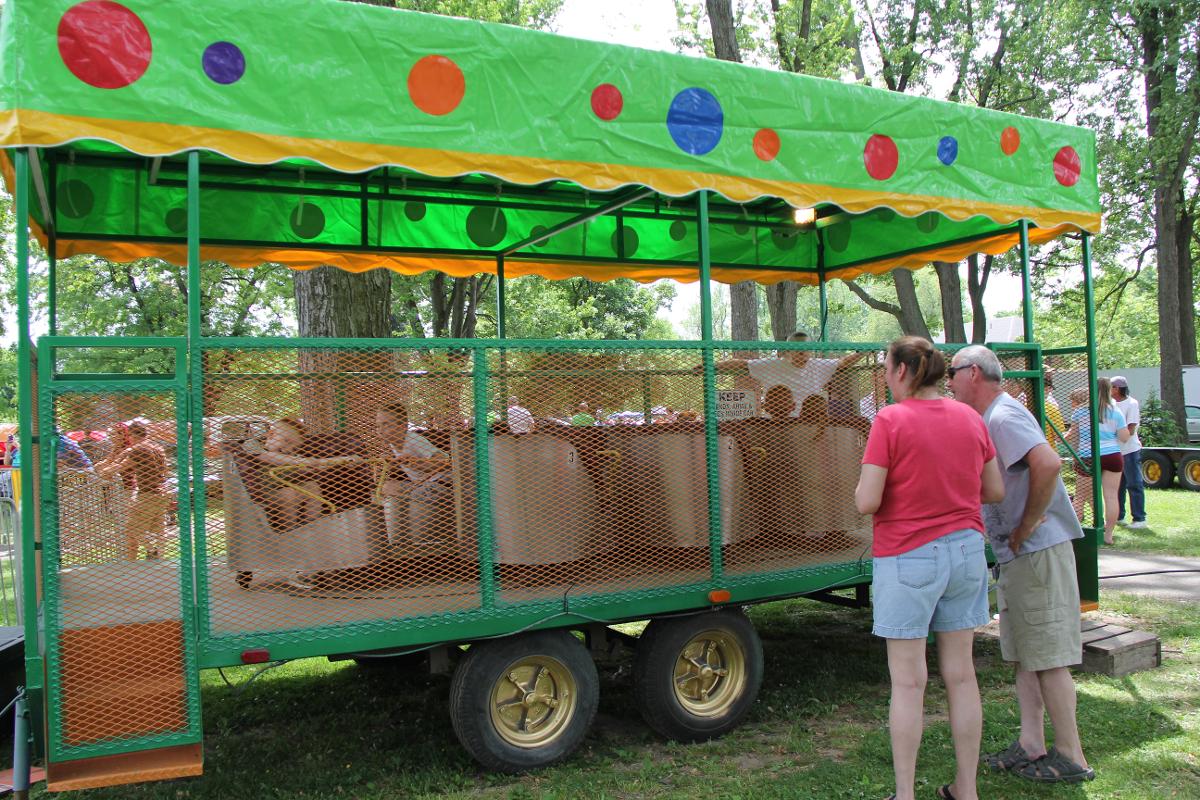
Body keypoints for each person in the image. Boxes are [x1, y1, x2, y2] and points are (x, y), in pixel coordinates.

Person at [855, 336, 1004, 800]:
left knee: (909, 680)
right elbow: (994, 489)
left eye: (885, 367)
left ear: (902, 371)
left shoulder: (890, 419)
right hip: (965, 553)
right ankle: (967, 789)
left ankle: (904, 794)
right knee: (961, 675)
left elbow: (867, 501)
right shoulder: (969, 416)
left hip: (907, 556)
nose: (884, 376)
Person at [949, 345, 1096, 785]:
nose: (949, 381)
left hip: (1037, 552)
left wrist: (1027, 524)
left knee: (1048, 656)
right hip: (1020, 556)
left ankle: (1071, 754)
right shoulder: (991, 417)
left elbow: (1047, 464)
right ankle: (1032, 742)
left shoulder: (1002, 417)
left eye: (953, 372)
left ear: (973, 373)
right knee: (1026, 653)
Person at [712, 331, 869, 415]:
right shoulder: (772, 365)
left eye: (808, 350)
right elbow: (742, 364)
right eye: (799, 351)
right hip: (776, 426)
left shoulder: (818, 365)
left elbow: (843, 362)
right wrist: (711, 367)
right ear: (788, 350)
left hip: (808, 424)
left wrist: (863, 352)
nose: (804, 354)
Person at [374, 403, 453, 541]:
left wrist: (419, 464)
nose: (381, 430)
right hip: (422, 483)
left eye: (386, 424)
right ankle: (395, 540)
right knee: (386, 487)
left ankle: (414, 541)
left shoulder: (413, 440)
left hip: (443, 481)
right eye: (378, 425)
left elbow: (446, 462)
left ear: (402, 426)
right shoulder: (394, 443)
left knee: (415, 494)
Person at [1066, 379, 1129, 545]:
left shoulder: (1080, 412)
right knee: (1110, 496)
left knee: (1080, 496)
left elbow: (1075, 436)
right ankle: (1107, 535)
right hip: (1112, 456)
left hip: (1087, 456)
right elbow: (1123, 437)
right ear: (1109, 391)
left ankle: (1074, 533)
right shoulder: (1116, 411)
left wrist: (1075, 455)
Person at [95, 420, 169, 560]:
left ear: (131, 434)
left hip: (148, 494)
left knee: (130, 530)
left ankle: (150, 552)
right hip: (163, 493)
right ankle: (160, 558)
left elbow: (121, 467)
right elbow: (166, 470)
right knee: (159, 529)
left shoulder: (139, 449)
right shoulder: (157, 447)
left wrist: (104, 472)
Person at [1110, 376, 1146, 529]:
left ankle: (1139, 519)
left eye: (1111, 387)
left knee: (1134, 483)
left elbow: (1130, 429)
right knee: (1118, 485)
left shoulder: (1131, 404)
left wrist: (1110, 435)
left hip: (1130, 450)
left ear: (1117, 388)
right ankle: (1119, 516)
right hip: (1115, 450)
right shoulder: (1110, 404)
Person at [1042, 369, 1066, 447]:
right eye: (1049, 389)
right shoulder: (1052, 408)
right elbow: (1058, 437)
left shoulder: (1023, 406)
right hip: (1048, 449)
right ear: (1046, 389)